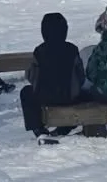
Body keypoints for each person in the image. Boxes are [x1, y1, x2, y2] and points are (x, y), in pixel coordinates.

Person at [19, 12, 86, 140]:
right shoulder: (72, 49)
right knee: (88, 93)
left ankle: (38, 128)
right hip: (69, 97)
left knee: (25, 92)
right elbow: (80, 76)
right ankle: (67, 126)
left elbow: (31, 76)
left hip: (44, 97)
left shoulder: (39, 51)